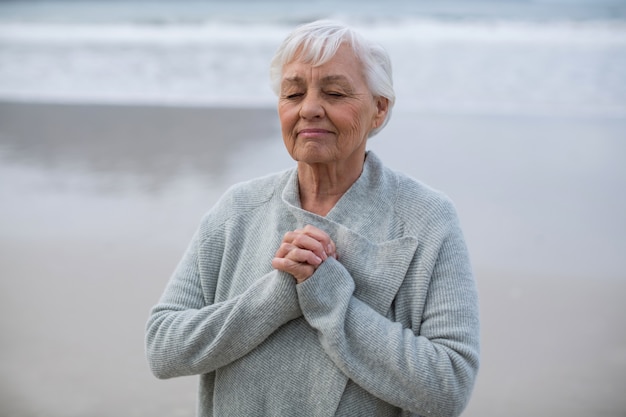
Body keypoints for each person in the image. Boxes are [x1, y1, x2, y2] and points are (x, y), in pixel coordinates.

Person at [145, 20, 480, 417]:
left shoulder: (426, 220)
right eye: (293, 92)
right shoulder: (238, 209)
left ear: (379, 109)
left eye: (335, 93)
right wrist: (277, 296)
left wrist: (331, 298)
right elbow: (163, 349)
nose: (309, 109)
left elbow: (449, 387)